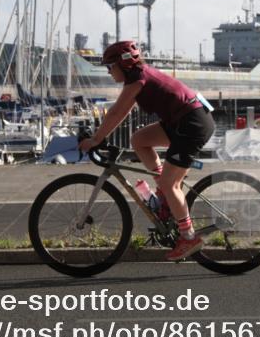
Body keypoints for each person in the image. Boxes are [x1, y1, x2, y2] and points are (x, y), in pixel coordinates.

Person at [78, 40, 215, 261]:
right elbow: (120, 113)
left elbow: (116, 113)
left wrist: (95, 139)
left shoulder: (137, 81)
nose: (108, 72)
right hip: (183, 120)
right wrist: (99, 137)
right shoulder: (137, 77)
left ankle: (188, 237)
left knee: (172, 184)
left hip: (192, 124)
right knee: (139, 140)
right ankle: (163, 193)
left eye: (109, 66)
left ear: (123, 65)